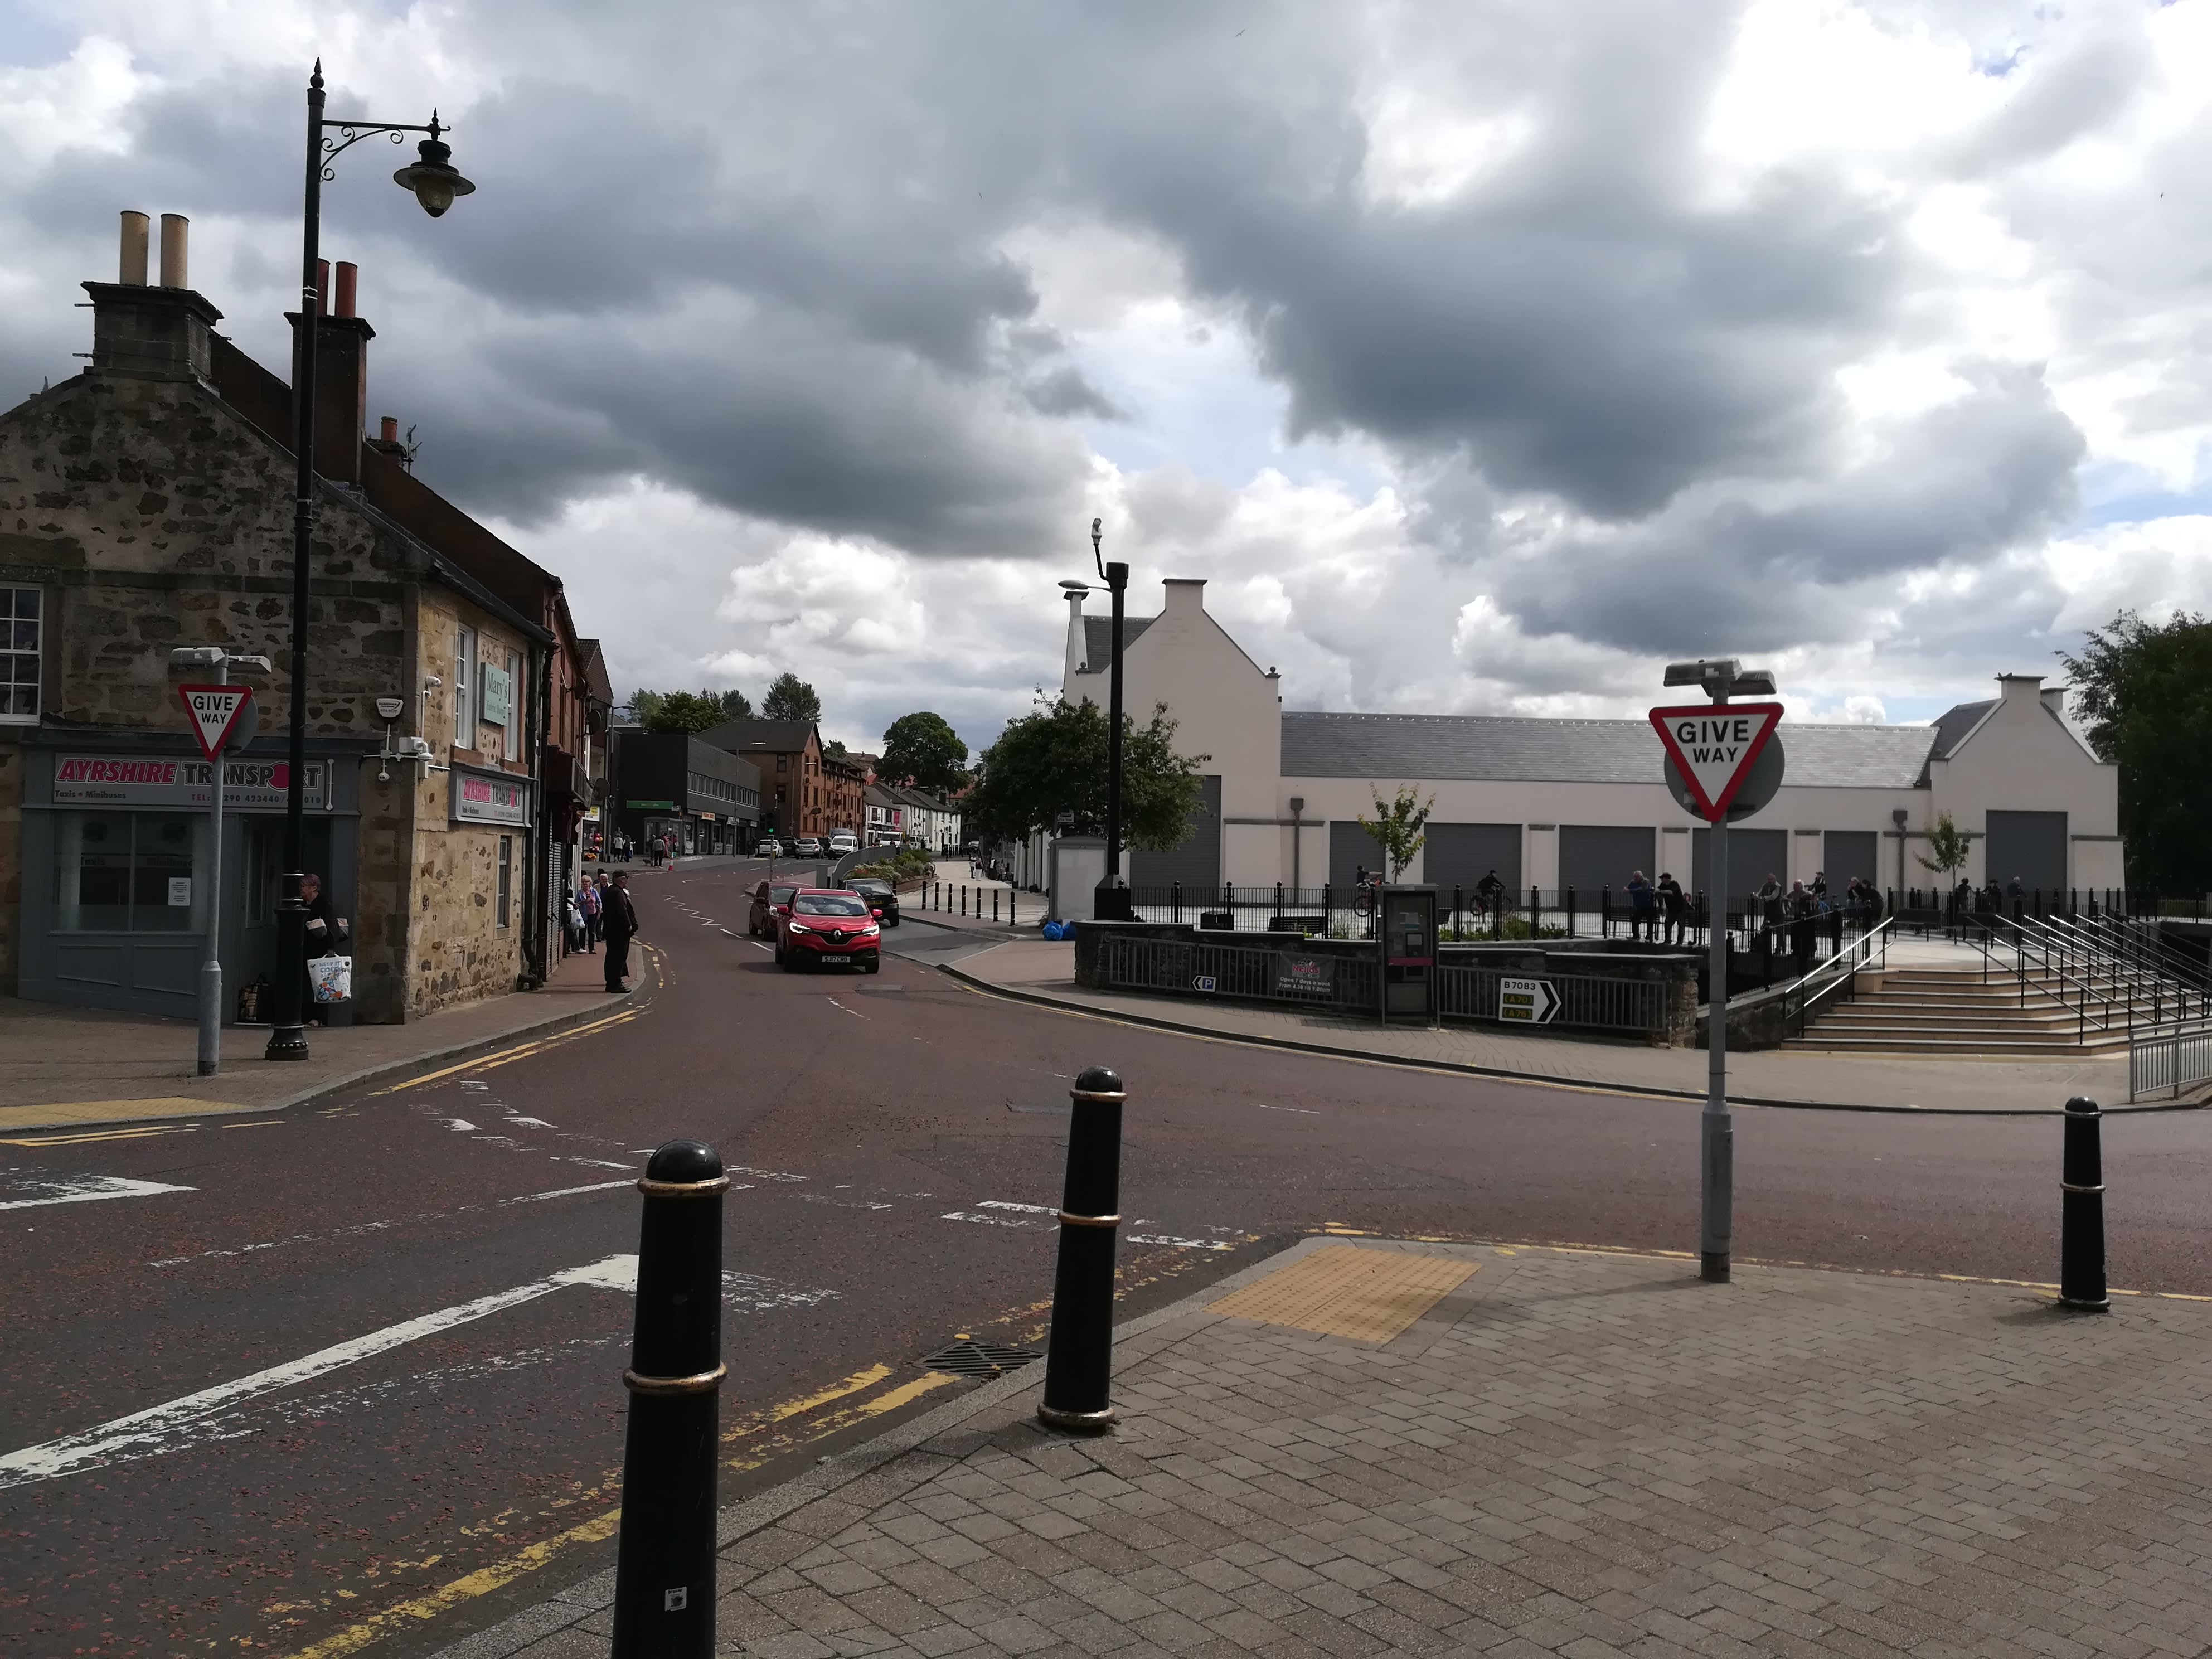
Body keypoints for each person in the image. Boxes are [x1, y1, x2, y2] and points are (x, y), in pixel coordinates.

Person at [299, 872, 347, 1026]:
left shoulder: (323, 904)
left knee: (320, 984)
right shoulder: (302, 905)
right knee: (306, 983)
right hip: (306, 949)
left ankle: (317, 1018)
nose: (301, 890)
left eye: (304, 887)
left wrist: (331, 948)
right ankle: (305, 1015)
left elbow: (332, 925)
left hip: (320, 950)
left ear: (314, 888)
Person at [601, 871, 639, 992]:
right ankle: (616, 984)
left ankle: (611, 983)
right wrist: (628, 925)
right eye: (626, 879)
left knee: (612, 956)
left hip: (611, 930)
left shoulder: (611, 891)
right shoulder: (618, 893)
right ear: (622, 880)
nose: (627, 881)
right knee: (618, 957)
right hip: (619, 932)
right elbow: (622, 911)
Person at [1656, 871, 1687, 945]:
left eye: (1662, 878)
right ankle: (1668, 941)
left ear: (1667, 879)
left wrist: (1661, 891)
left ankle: (1680, 942)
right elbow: (1658, 890)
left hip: (1680, 909)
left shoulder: (1674, 884)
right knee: (1667, 925)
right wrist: (1659, 891)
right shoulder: (1663, 885)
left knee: (1681, 925)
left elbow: (1671, 892)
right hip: (1671, 909)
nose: (1661, 880)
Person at [1626, 869, 1657, 941]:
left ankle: (1649, 936)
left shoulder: (1646, 881)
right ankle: (1636, 936)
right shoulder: (1633, 882)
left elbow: (1643, 890)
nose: (1635, 879)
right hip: (1639, 906)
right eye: (1635, 877)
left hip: (1648, 906)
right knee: (1635, 920)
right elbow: (1628, 889)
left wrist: (1631, 891)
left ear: (1641, 877)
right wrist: (1628, 890)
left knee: (1649, 921)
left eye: (1637, 877)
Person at [578, 877, 602, 954]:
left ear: (590, 883)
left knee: (591, 932)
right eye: (584, 882)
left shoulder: (594, 891)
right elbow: (576, 903)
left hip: (593, 914)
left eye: (587, 882)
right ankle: (582, 948)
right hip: (584, 914)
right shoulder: (580, 892)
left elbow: (599, 901)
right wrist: (584, 901)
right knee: (582, 931)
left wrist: (600, 909)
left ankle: (592, 949)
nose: (585, 884)